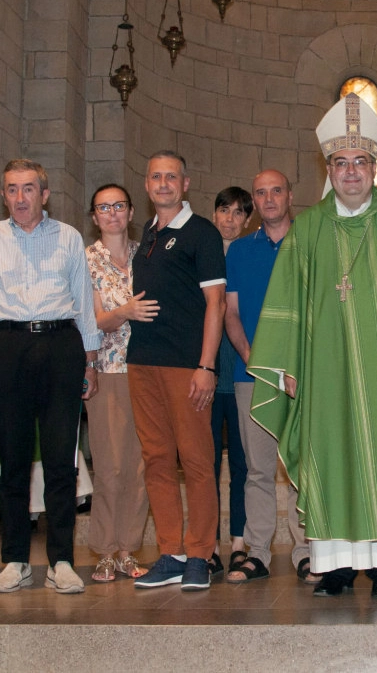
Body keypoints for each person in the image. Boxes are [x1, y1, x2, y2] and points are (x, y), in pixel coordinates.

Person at [247, 94, 377, 597]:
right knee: (331, 454)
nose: (352, 172)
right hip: (323, 372)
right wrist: (286, 365)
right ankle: (335, 569)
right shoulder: (309, 228)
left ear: (375, 168)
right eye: (341, 163)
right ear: (329, 169)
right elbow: (287, 302)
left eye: (361, 162)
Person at [0, 158, 101, 595]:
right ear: (4, 195)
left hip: (61, 346)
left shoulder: (69, 237)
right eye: (12, 189)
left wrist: (90, 362)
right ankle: (15, 559)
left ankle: (61, 561)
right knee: (14, 461)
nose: (20, 197)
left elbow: (83, 301)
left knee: (61, 461)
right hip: (9, 346)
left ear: (44, 193)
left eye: (28, 188)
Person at [128, 151, 226, 591]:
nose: (163, 183)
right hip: (142, 362)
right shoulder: (147, 234)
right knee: (157, 459)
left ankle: (200, 555)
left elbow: (215, 304)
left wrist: (206, 365)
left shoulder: (201, 232)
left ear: (185, 184)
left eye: (171, 177)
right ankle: (170, 552)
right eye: (155, 177)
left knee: (198, 461)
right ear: (146, 185)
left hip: (187, 365)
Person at [223, 170, 315, 584]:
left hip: (304, 376)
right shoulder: (240, 251)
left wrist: (303, 366)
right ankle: (257, 552)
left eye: (276, 190)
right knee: (257, 468)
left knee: (300, 465)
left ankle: (307, 550)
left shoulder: (310, 244)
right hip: (252, 376)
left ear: (290, 196)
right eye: (260, 193)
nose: (269, 198)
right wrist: (253, 360)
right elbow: (231, 313)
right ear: (254, 203)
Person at [84, 184, 152, 583]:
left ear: (130, 211)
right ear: (94, 217)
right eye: (103, 207)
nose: (112, 213)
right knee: (109, 465)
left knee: (140, 466)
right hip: (107, 370)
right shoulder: (87, 260)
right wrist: (125, 311)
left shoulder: (146, 254)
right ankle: (105, 550)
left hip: (146, 370)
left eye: (119, 206)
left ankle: (128, 549)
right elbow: (92, 321)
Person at [210, 186, 251, 572]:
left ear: (247, 220)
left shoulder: (247, 256)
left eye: (239, 213)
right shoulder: (202, 254)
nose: (230, 219)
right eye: (224, 210)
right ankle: (207, 545)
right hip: (206, 376)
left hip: (240, 374)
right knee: (204, 464)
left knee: (241, 463)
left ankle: (239, 540)